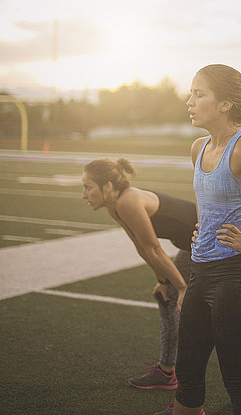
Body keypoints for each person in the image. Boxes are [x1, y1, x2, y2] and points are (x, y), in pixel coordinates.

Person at [156, 64, 241, 415]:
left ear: (224, 104)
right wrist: (202, 229)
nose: (190, 101)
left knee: (237, 380)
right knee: (188, 375)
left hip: (237, 279)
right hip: (200, 274)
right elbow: (208, 203)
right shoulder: (198, 148)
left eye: (199, 94)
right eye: (190, 93)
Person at [81, 157, 198, 391]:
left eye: (87, 187)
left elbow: (154, 248)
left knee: (187, 301)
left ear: (107, 187)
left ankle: (172, 373)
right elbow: (141, 247)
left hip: (206, 241)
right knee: (166, 296)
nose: (84, 194)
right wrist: (163, 281)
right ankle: (168, 371)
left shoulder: (128, 201)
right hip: (191, 244)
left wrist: (181, 287)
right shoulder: (115, 206)